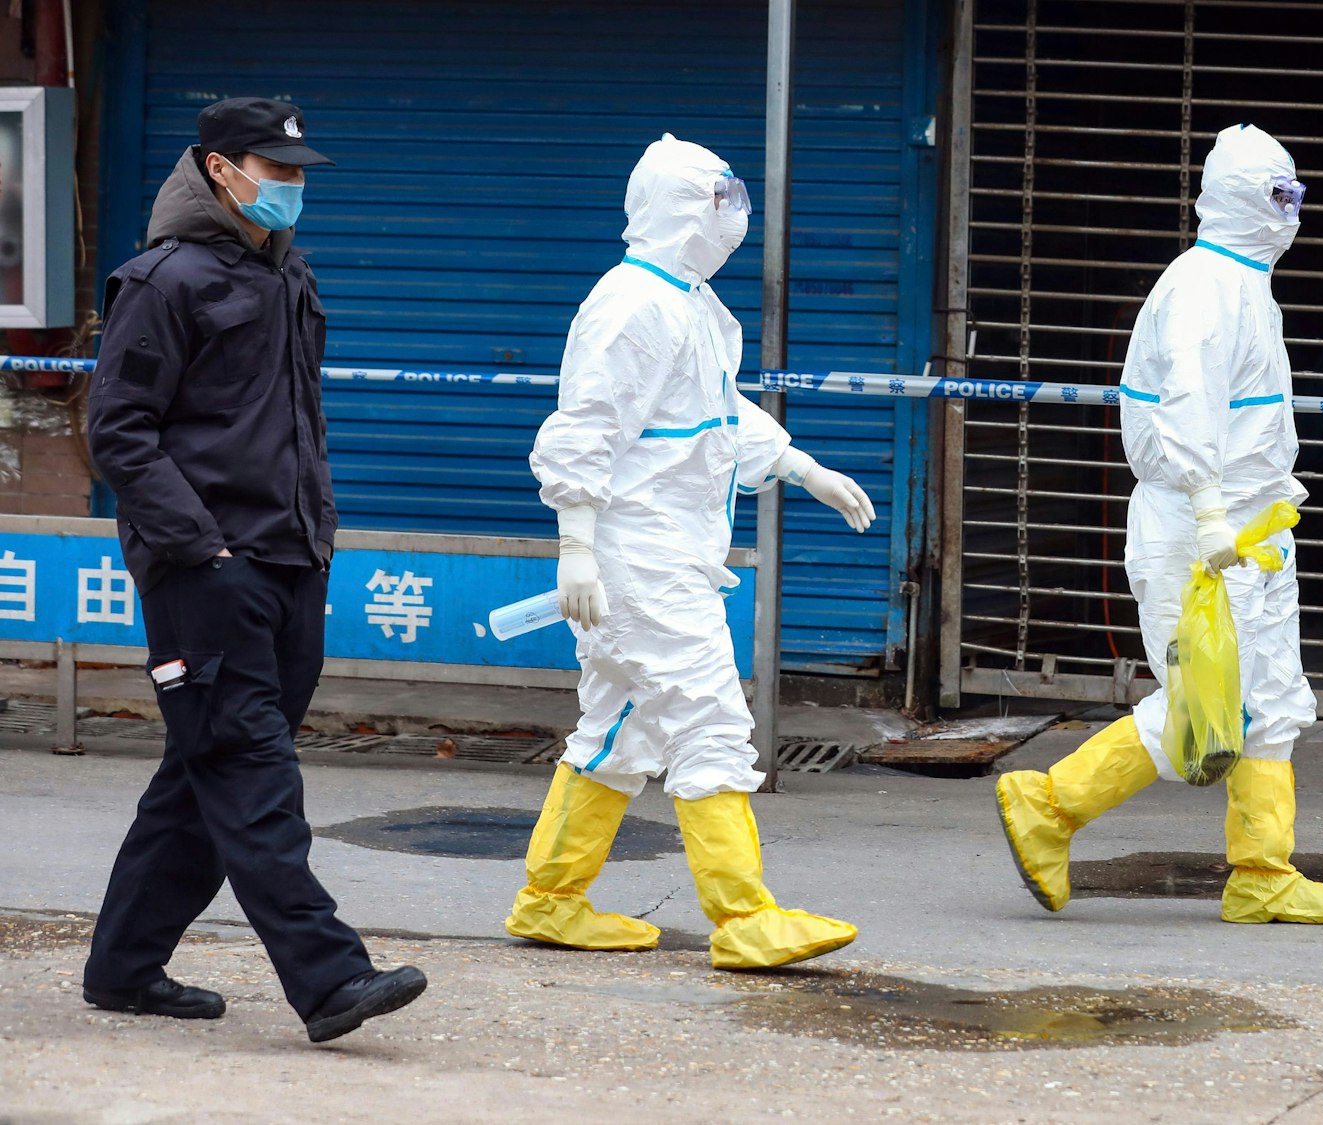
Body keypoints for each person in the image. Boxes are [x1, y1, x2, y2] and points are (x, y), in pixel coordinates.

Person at [83, 98, 426, 1043]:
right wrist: (204, 548)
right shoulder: (164, 282)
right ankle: (329, 977)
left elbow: (293, 423)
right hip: (206, 567)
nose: (292, 187)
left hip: (289, 559)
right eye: (276, 172)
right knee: (248, 766)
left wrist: (314, 537)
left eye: (299, 173)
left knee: (204, 771)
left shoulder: (286, 274)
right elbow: (119, 431)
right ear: (219, 169)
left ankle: (123, 966)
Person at [504, 134, 876, 970]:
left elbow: (715, 414)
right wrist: (576, 545)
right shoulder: (633, 305)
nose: (735, 215)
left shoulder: (692, 303)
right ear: (678, 207)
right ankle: (743, 916)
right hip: (643, 560)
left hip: (663, 552)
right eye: (720, 199)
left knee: (619, 729)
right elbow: (585, 428)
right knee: (709, 718)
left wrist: (796, 463)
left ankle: (551, 900)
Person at [994, 125, 1323, 927]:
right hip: (1207, 530)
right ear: (1242, 198)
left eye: (1294, 193)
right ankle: (1049, 805)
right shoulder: (1205, 288)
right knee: (1210, 705)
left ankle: (1262, 871)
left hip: (1248, 527)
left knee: (1268, 702)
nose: (1292, 210)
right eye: (1280, 194)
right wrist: (1208, 514)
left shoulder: (1243, 283)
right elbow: (1188, 408)